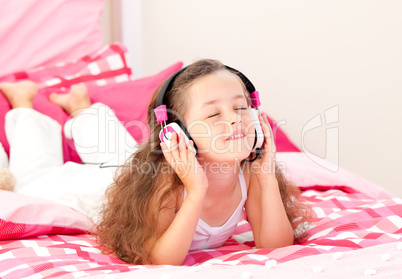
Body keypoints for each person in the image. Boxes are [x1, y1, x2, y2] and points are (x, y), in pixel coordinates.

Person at [97, 59, 312, 265]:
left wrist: (268, 179)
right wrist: (195, 191)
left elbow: (276, 245)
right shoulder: (166, 178)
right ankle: (85, 107)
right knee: (107, 153)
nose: (235, 118)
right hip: (100, 177)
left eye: (240, 108)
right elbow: (162, 260)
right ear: (178, 132)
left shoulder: (250, 172)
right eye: (214, 114)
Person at [0, 81, 138, 222]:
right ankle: (25, 103)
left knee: (128, 165)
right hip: (127, 196)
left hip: (135, 189)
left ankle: (81, 108)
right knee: (31, 186)